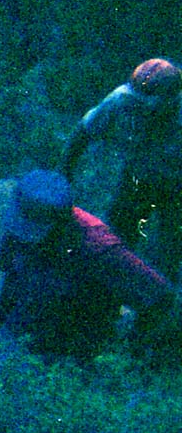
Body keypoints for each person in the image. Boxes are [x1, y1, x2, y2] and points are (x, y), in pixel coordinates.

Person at [0, 170, 175, 360]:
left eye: (34, 231)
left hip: (68, 356)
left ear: (61, 222)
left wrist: (132, 354)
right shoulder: (22, 221)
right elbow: (10, 273)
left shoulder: (98, 248)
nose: (25, 237)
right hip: (22, 335)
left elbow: (160, 295)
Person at [62, 58, 182, 279]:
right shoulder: (122, 98)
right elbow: (83, 133)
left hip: (176, 183)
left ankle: (160, 301)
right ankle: (107, 296)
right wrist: (63, 176)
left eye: (148, 104)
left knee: (170, 246)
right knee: (118, 237)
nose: (140, 108)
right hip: (138, 176)